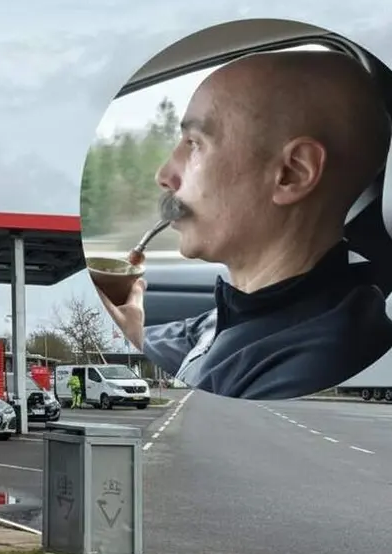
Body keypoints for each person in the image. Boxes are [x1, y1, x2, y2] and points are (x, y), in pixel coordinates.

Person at [98, 49, 392, 400]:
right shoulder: (244, 315)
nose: (164, 175)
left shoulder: (308, 369)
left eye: (194, 144)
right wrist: (132, 338)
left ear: (292, 173)